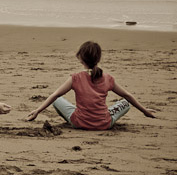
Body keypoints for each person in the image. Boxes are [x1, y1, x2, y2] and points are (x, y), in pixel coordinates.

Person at [26, 41, 156, 130]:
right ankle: (100, 115)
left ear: (81, 59)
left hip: (80, 122)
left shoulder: (75, 78)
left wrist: (38, 111)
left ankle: (82, 115)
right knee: (126, 103)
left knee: (57, 100)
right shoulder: (108, 78)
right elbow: (127, 95)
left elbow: (55, 95)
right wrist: (145, 111)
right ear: (98, 59)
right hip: (104, 124)